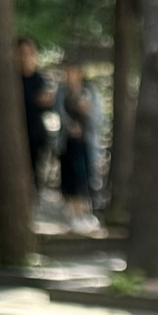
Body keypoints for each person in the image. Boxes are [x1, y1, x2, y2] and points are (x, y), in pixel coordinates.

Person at [56, 57, 99, 227]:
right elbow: (59, 111)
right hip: (67, 141)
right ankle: (72, 214)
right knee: (69, 176)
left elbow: (97, 116)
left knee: (85, 176)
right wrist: (69, 125)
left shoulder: (90, 91)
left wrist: (87, 111)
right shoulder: (62, 92)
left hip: (85, 141)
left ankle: (85, 213)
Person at [17, 36, 53, 191]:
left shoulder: (38, 79)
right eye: (22, 53)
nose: (26, 58)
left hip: (34, 134)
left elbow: (44, 104)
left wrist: (45, 102)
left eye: (30, 53)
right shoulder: (12, 79)